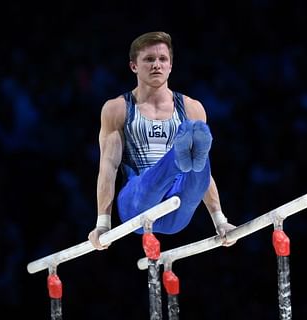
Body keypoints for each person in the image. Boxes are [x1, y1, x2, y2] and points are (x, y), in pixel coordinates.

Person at [88, 31, 236, 250]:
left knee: (197, 173)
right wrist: (103, 223)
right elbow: (108, 168)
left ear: (170, 66)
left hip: (176, 207)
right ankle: (178, 156)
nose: (156, 65)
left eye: (162, 59)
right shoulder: (118, 109)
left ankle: (182, 155)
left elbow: (207, 176)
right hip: (136, 203)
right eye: (149, 59)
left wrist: (220, 220)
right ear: (134, 66)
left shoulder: (191, 107)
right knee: (153, 180)